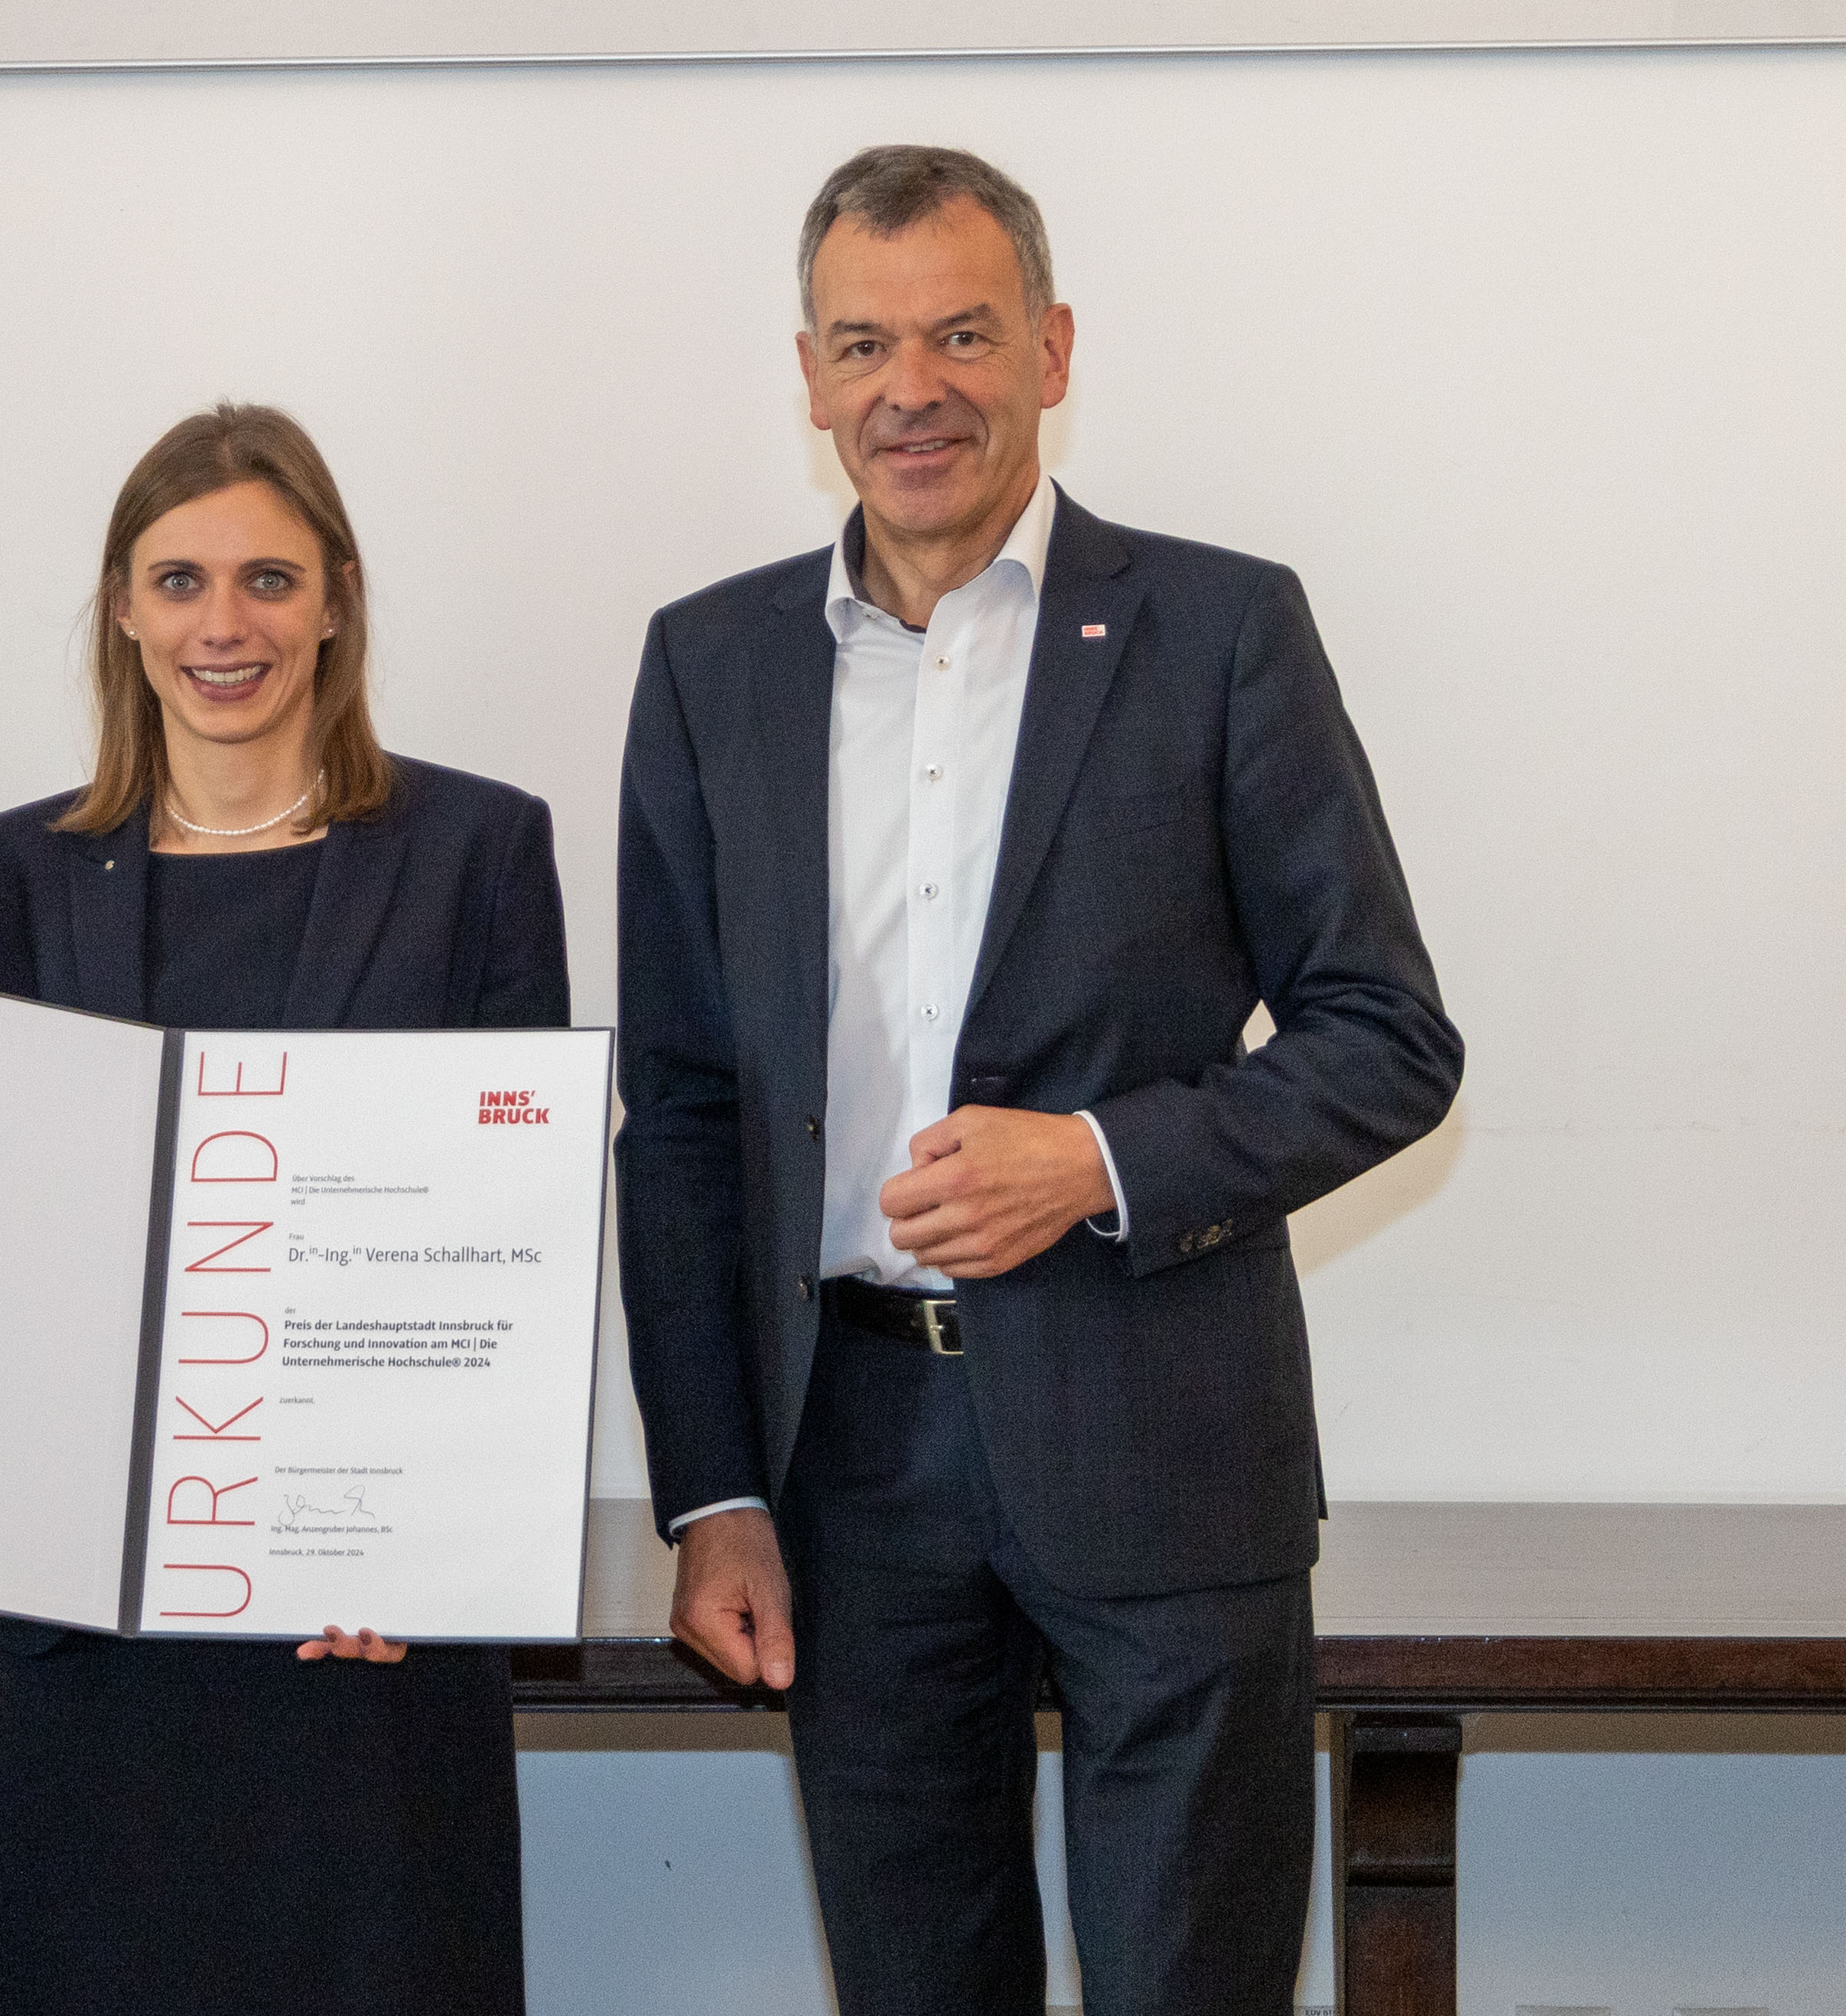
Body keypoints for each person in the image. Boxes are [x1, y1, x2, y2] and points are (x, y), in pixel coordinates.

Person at [614, 145, 1464, 2010]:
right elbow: (677, 1112)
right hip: (841, 1461)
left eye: (960, 334)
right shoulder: (708, 668)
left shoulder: (1220, 630)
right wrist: (708, 1495)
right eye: (862, 344)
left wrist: (1093, 1157)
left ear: (1052, 346)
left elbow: (1386, 1038)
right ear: (811, 375)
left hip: (1163, 1433)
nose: (911, 387)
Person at [0, 402, 563, 2014]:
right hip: (100, 1642)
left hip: (362, 1634)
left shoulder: (478, 851)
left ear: (335, 598)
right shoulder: (24, 869)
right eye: (177, 581)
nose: (220, 625)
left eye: (264, 578)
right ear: (121, 606)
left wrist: (433, 1556)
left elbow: (506, 1247)